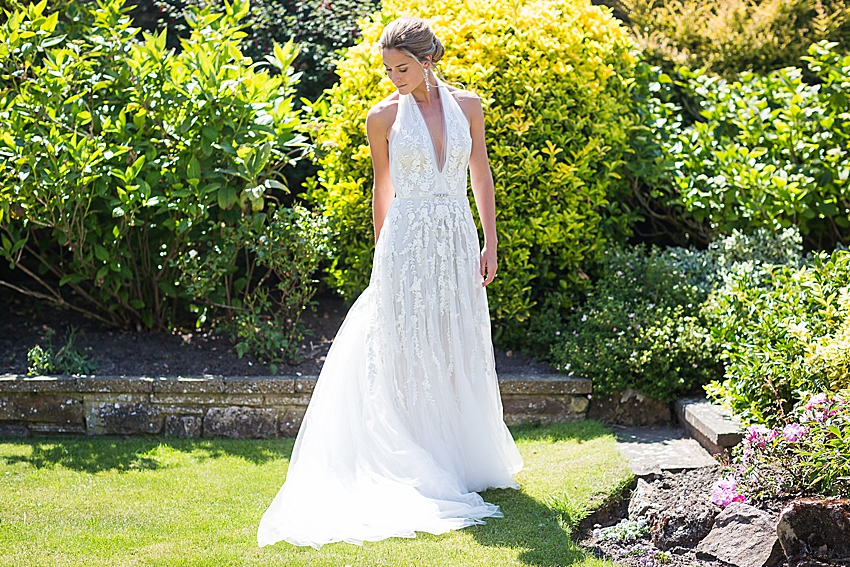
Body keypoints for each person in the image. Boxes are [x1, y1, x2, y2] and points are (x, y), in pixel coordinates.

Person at [257, 16, 523, 550]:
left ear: (428, 61)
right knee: (405, 346)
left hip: (455, 236)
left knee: (456, 342)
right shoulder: (381, 117)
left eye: (402, 68)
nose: (393, 77)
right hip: (404, 241)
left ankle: (457, 456)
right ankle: (410, 455)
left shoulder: (468, 106)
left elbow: (481, 173)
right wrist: (381, 253)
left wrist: (490, 241)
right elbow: (382, 187)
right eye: (387, 68)